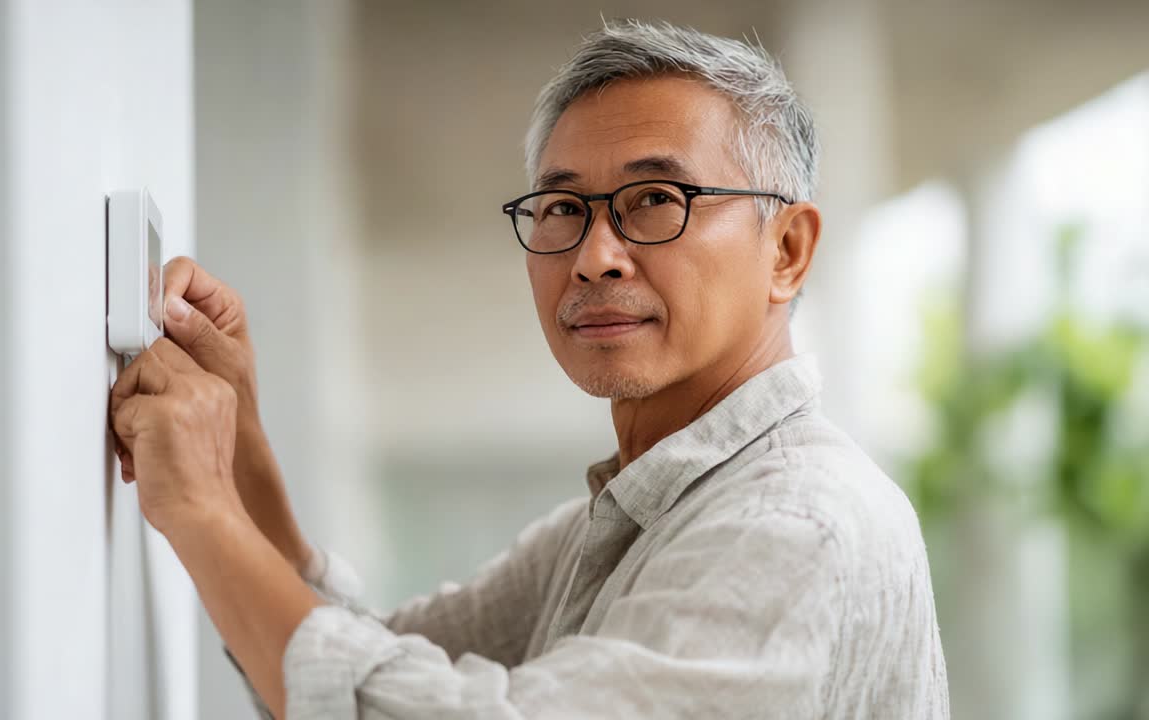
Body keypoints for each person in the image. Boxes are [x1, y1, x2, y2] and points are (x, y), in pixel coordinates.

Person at [110, 19, 949, 719]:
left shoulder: (795, 524)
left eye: (656, 199)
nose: (595, 256)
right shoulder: (623, 519)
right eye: (561, 209)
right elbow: (365, 673)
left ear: (788, 251)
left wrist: (199, 509)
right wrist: (240, 440)